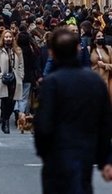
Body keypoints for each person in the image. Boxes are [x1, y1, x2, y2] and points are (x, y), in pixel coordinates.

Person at [34, 28, 112, 194]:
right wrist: (105, 158)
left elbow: (42, 124)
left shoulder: (51, 83)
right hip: (85, 152)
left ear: (52, 53)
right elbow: (105, 123)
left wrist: (44, 151)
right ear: (78, 48)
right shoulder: (95, 81)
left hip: (57, 154)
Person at [0, 30, 24, 134]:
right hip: (3, 78)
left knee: (12, 101)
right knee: (5, 101)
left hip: (15, 78)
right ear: (3, 38)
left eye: (10, 37)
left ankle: (5, 118)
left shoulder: (18, 50)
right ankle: (5, 122)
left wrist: (20, 76)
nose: (8, 39)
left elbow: (21, 65)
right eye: (6, 37)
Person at [89, 29, 112, 103]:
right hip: (93, 81)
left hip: (106, 81)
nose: (101, 38)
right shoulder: (90, 49)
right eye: (98, 36)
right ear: (94, 39)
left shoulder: (108, 49)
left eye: (102, 36)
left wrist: (105, 65)